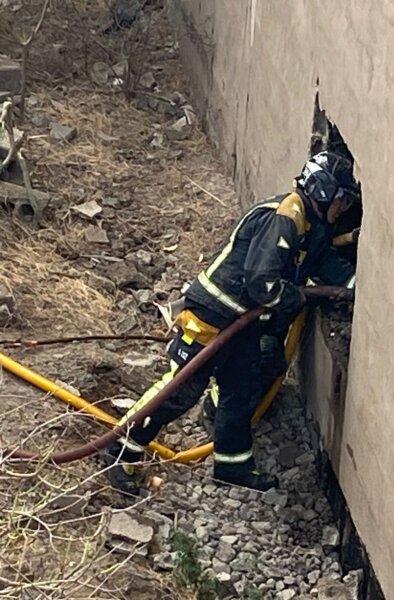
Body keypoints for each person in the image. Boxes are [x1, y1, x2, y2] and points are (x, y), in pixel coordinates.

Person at [103, 151, 358, 495]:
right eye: (342, 199)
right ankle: (119, 451)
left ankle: (232, 466)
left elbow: (320, 258)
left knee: (240, 390)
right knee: (181, 391)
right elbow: (261, 283)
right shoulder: (285, 217)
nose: (343, 209)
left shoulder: (310, 224)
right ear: (326, 192)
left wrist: (354, 283)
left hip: (241, 327)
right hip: (214, 317)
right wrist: (300, 296)